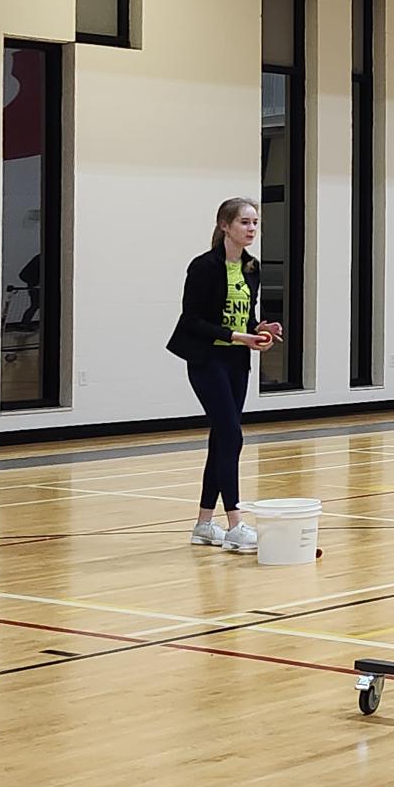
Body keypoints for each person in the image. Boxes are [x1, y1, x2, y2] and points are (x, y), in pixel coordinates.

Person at [165, 197, 284, 554]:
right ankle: (234, 523)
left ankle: (204, 524)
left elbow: (243, 317)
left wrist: (258, 330)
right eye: (244, 222)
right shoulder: (203, 267)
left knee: (221, 438)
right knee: (232, 436)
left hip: (236, 361)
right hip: (207, 359)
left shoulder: (251, 267)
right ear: (224, 226)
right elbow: (192, 321)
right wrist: (236, 336)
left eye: (255, 223)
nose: (251, 229)